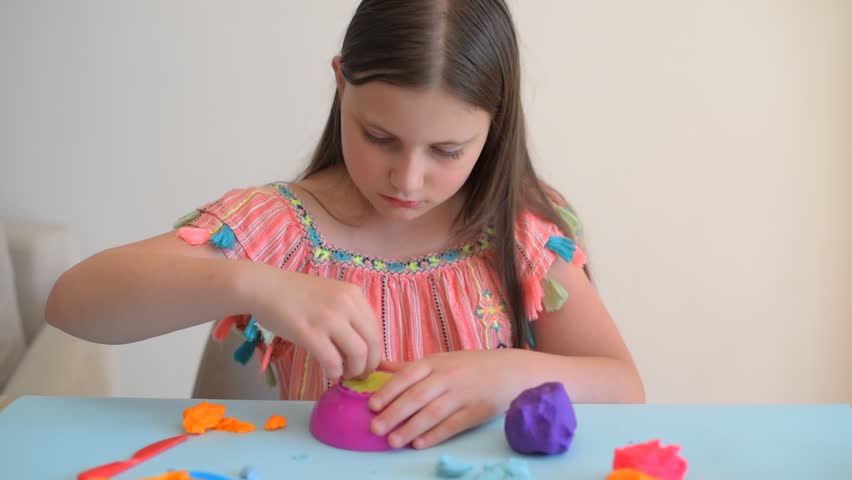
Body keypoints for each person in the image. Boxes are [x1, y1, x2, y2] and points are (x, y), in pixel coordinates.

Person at [46, 0, 644, 450]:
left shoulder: (517, 229)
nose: (407, 180)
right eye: (379, 137)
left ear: (495, 124)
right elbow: (71, 303)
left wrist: (511, 374)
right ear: (341, 82)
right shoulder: (281, 228)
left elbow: (624, 385)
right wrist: (252, 285)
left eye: (446, 150)